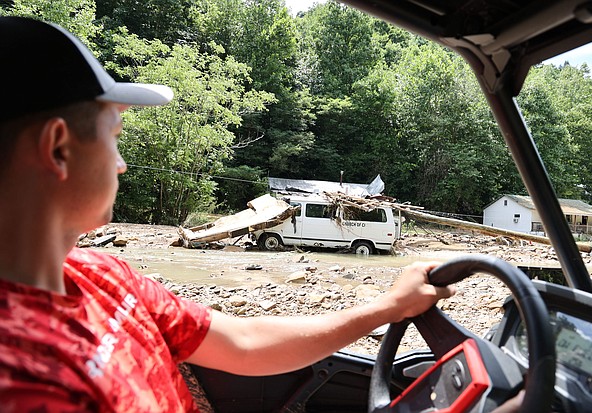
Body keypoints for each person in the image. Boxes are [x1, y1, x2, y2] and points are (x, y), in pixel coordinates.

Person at [0, 16, 517, 413]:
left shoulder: (104, 277)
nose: (122, 161)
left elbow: (244, 344)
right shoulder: (19, 376)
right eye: (114, 135)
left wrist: (388, 307)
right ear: (59, 149)